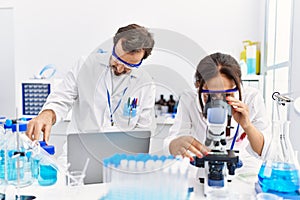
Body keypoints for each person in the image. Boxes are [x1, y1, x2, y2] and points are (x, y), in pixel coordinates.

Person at [26, 24, 156, 143]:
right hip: (81, 150)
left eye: (129, 65)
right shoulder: (86, 65)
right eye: (118, 59)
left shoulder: (145, 83)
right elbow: (61, 98)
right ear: (114, 46)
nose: (120, 68)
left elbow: (143, 132)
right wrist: (47, 114)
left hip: (121, 157)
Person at [164, 52, 271, 170]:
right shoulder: (189, 99)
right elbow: (173, 141)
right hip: (201, 165)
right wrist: (174, 145)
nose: (218, 100)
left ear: (238, 85)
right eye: (210, 95)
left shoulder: (252, 98)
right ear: (198, 85)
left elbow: (263, 151)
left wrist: (247, 125)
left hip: (244, 169)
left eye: (227, 94)